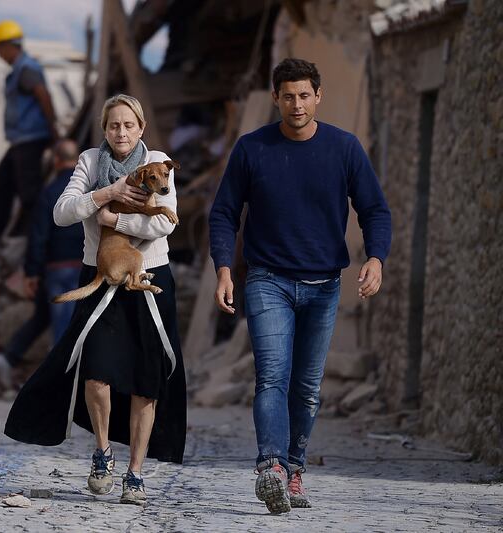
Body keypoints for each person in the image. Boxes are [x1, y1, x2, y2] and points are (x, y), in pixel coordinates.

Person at [208, 58, 392, 514]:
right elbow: (224, 213)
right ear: (275, 98)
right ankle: (270, 466)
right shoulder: (253, 149)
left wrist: (376, 258)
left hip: (324, 285)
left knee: (307, 387)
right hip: (268, 280)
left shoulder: (344, 149)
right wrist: (224, 269)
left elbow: (374, 210)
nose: (296, 104)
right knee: (272, 375)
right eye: (287, 95)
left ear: (318, 96)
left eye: (304, 95)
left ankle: (293, 470)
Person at [4, 94, 187, 506]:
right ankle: (103, 452)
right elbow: (62, 212)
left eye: (128, 125)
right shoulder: (89, 162)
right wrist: (107, 194)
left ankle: (135, 474)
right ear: (104, 129)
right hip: (102, 278)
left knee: (147, 384)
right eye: (113, 126)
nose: (120, 133)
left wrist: (112, 220)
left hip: (151, 277)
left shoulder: (158, 162)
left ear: (141, 128)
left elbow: (165, 221)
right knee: (96, 373)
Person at [0, 139, 85, 391]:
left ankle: (7, 358)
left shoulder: (49, 191)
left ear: (55, 160)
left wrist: (32, 272)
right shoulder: (90, 191)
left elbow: (39, 236)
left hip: (56, 269)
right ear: (78, 161)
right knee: (66, 324)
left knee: (50, 317)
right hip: (84, 266)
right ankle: (61, 386)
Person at [0, 20, 59, 240]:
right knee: (3, 181)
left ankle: (38, 234)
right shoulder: (19, 70)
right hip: (21, 140)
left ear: (8, 46)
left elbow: (43, 95)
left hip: (31, 139)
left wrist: (53, 129)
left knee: (29, 192)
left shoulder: (26, 68)